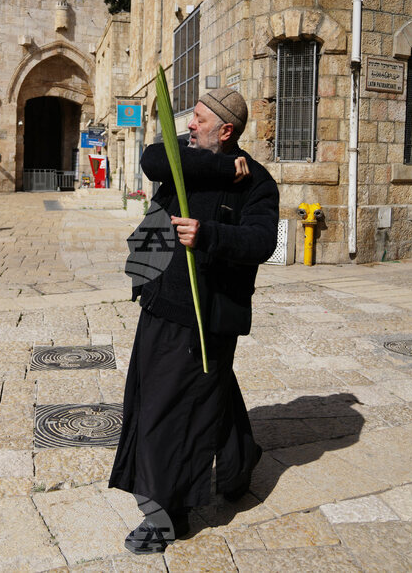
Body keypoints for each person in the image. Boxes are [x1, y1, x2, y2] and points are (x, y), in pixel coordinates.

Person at [108, 88, 279, 554]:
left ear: (225, 130)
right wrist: (223, 166)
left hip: (205, 315)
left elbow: (263, 242)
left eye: (199, 120)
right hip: (159, 299)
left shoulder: (258, 183)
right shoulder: (186, 159)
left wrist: (208, 234)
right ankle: (240, 462)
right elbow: (151, 160)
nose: (189, 125)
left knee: (169, 411)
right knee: (204, 389)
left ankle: (165, 514)